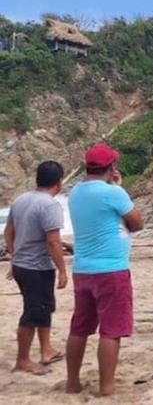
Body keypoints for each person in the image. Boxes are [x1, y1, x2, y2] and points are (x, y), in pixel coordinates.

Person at [66, 143, 144, 396]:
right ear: (111, 167)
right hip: (111, 270)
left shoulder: (76, 192)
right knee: (111, 330)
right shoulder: (113, 194)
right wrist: (118, 188)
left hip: (83, 269)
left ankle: (72, 383)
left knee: (79, 327)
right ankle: (107, 387)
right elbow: (137, 223)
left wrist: (113, 186)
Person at [5, 161, 68, 375]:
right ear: (59, 182)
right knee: (33, 312)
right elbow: (53, 242)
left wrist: (15, 256)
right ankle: (23, 360)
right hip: (37, 267)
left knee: (43, 308)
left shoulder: (20, 200)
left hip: (23, 264)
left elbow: (9, 233)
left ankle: (46, 349)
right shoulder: (50, 205)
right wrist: (62, 270)